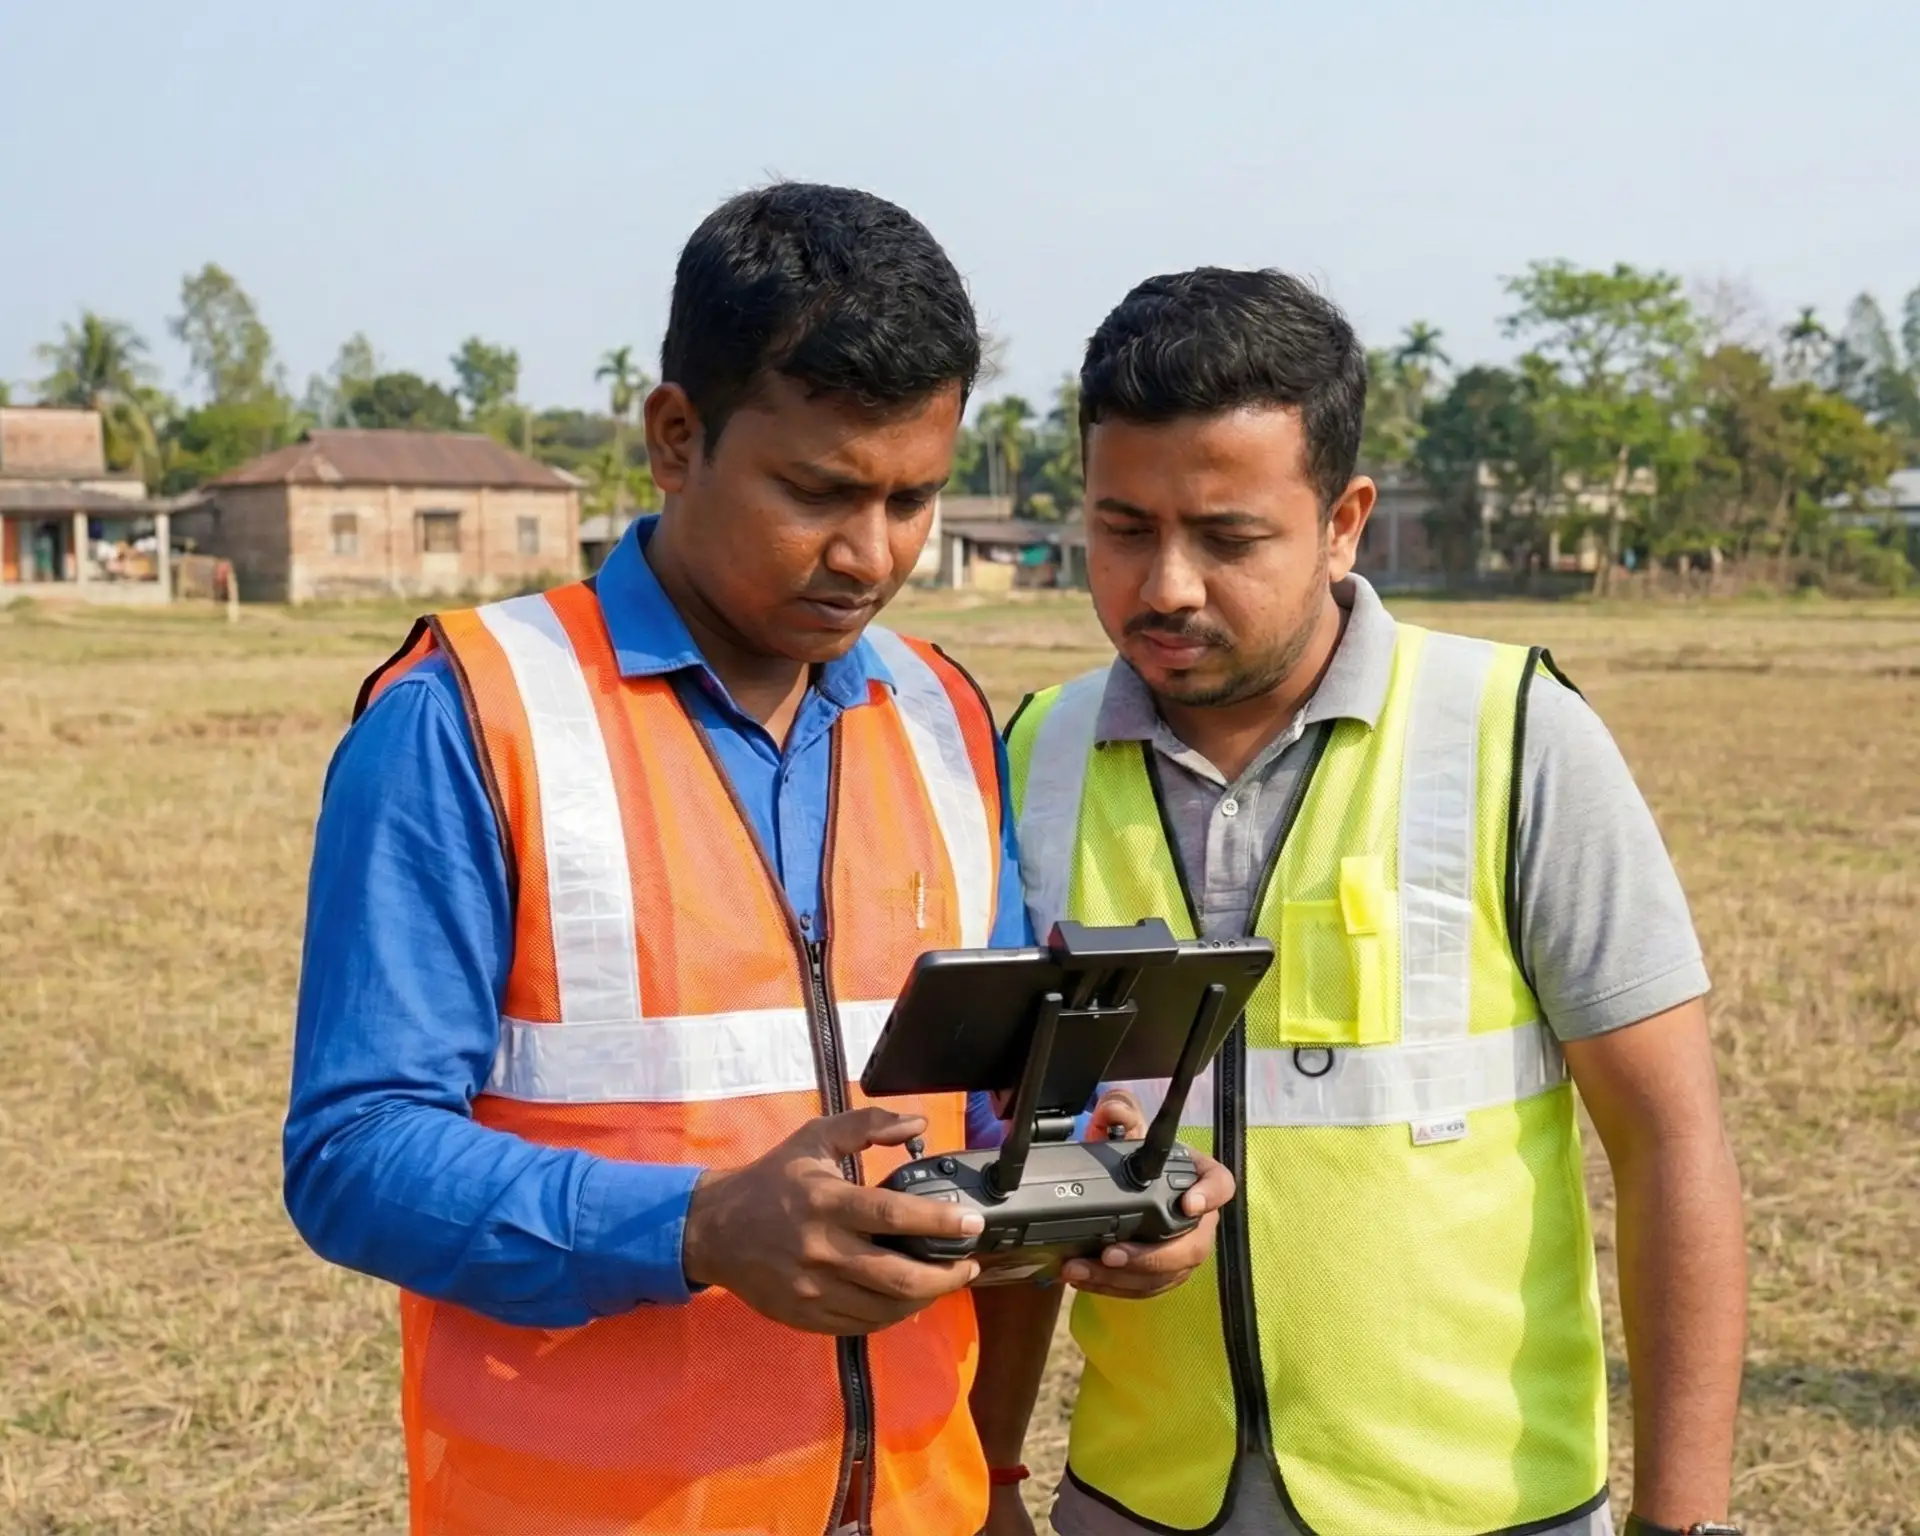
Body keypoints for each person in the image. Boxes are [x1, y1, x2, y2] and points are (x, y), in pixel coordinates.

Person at [283, 182, 1228, 1536]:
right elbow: (353, 1154)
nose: (870, 554)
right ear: (676, 437)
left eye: (913, 498)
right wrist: (697, 1228)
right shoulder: (471, 718)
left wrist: (1094, 1176)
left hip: (917, 1506)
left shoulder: (943, 715)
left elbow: (981, 1109)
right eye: (817, 491)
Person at [1002, 269, 1747, 1536]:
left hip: (1482, 1509)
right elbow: (1010, 1146)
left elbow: (1670, 1145)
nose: (1165, 584)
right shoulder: (1035, 756)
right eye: (1122, 528)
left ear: (1344, 521)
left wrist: (1684, 1523)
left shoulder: (1514, 736)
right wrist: (987, 1475)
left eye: (1228, 537)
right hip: (1136, 1502)